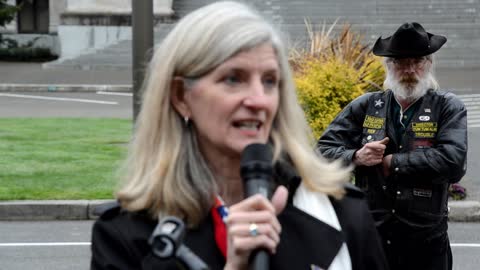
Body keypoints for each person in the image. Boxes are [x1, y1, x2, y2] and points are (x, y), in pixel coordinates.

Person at [90, 1, 388, 269]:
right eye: (233, 79)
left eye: (270, 81)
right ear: (181, 96)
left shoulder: (342, 211)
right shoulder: (125, 235)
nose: (259, 100)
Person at [317, 22, 468, 270]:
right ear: (389, 66)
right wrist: (356, 156)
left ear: (428, 64)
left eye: (416, 61)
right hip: (373, 237)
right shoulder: (365, 106)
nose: (409, 69)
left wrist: (393, 162)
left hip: (426, 242)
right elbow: (321, 151)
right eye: (400, 62)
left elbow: (453, 162)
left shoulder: (448, 107)